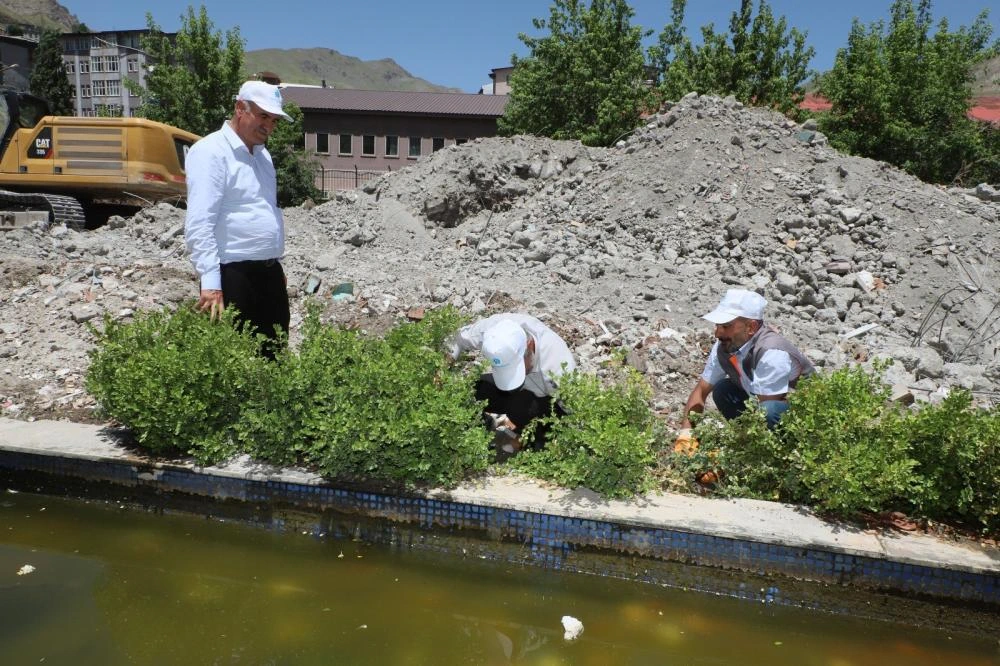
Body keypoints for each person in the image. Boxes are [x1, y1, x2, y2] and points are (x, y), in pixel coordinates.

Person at [184, 80, 293, 358]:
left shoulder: (264, 157)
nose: (268, 125)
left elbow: (262, 211)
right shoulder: (211, 152)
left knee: (274, 356)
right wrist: (210, 283)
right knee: (235, 360)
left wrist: (275, 266)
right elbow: (200, 222)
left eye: (274, 120)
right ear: (240, 108)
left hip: (268, 274)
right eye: (263, 116)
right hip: (232, 276)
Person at [680, 289, 814, 434]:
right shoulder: (725, 345)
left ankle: (773, 450)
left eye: (726, 326)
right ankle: (744, 440)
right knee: (723, 390)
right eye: (717, 326)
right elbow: (701, 391)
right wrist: (686, 435)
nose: (718, 333)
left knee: (767, 411)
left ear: (751, 327)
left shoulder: (772, 352)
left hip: (804, 419)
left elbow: (764, 413)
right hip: (761, 403)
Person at [448, 313, 576, 453]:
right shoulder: (494, 333)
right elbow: (458, 338)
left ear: (529, 346)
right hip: (518, 393)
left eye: (518, 367)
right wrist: (442, 367)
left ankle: (529, 439)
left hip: (542, 402)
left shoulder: (558, 369)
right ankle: (483, 425)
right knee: (472, 389)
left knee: (527, 417)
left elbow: (574, 416)